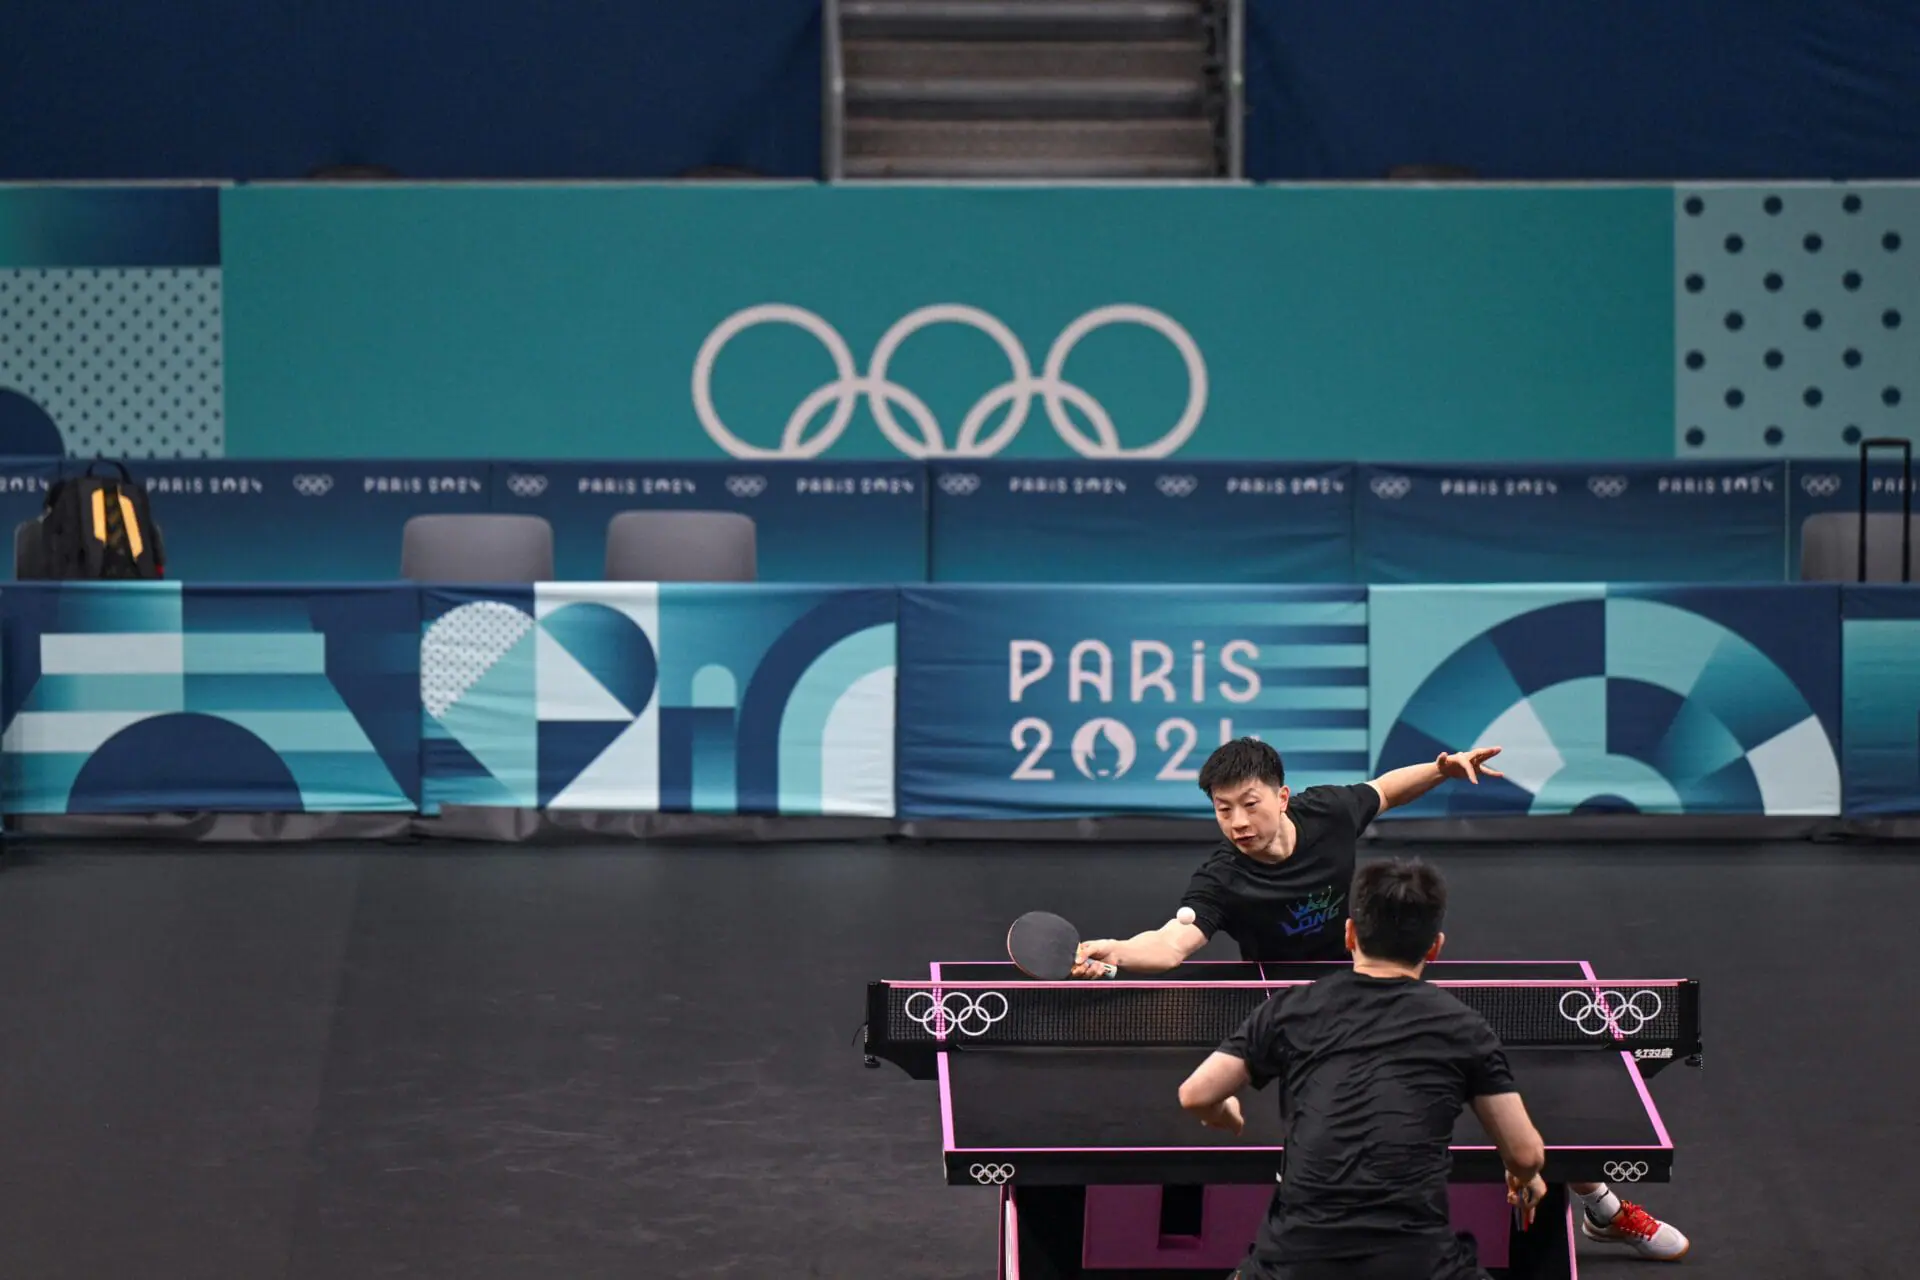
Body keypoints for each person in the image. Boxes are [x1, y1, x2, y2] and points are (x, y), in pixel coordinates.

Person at [1076, 738, 1689, 1262]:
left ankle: (1602, 1208)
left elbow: (1385, 789)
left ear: (1282, 797)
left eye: (1249, 804)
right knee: (1331, 1133)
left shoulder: (1328, 812)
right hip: (1297, 1016)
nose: (1237, 821)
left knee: (1509, 1087)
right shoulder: (1221, 878)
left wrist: (1441, 769)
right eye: (1222, 809)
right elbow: (1170, 944)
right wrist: (1111, 948)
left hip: (1381, 984)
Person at [1176, 858, 1544, 1279]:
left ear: (1349, 934)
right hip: (1416, 1263)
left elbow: (1196, 1094)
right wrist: (1522, 1174)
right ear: (1435, 947)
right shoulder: (1465, 1028)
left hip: (1296, 1262)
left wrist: (1223, 1113)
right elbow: (1525, 1152)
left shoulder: (1290, 1008)